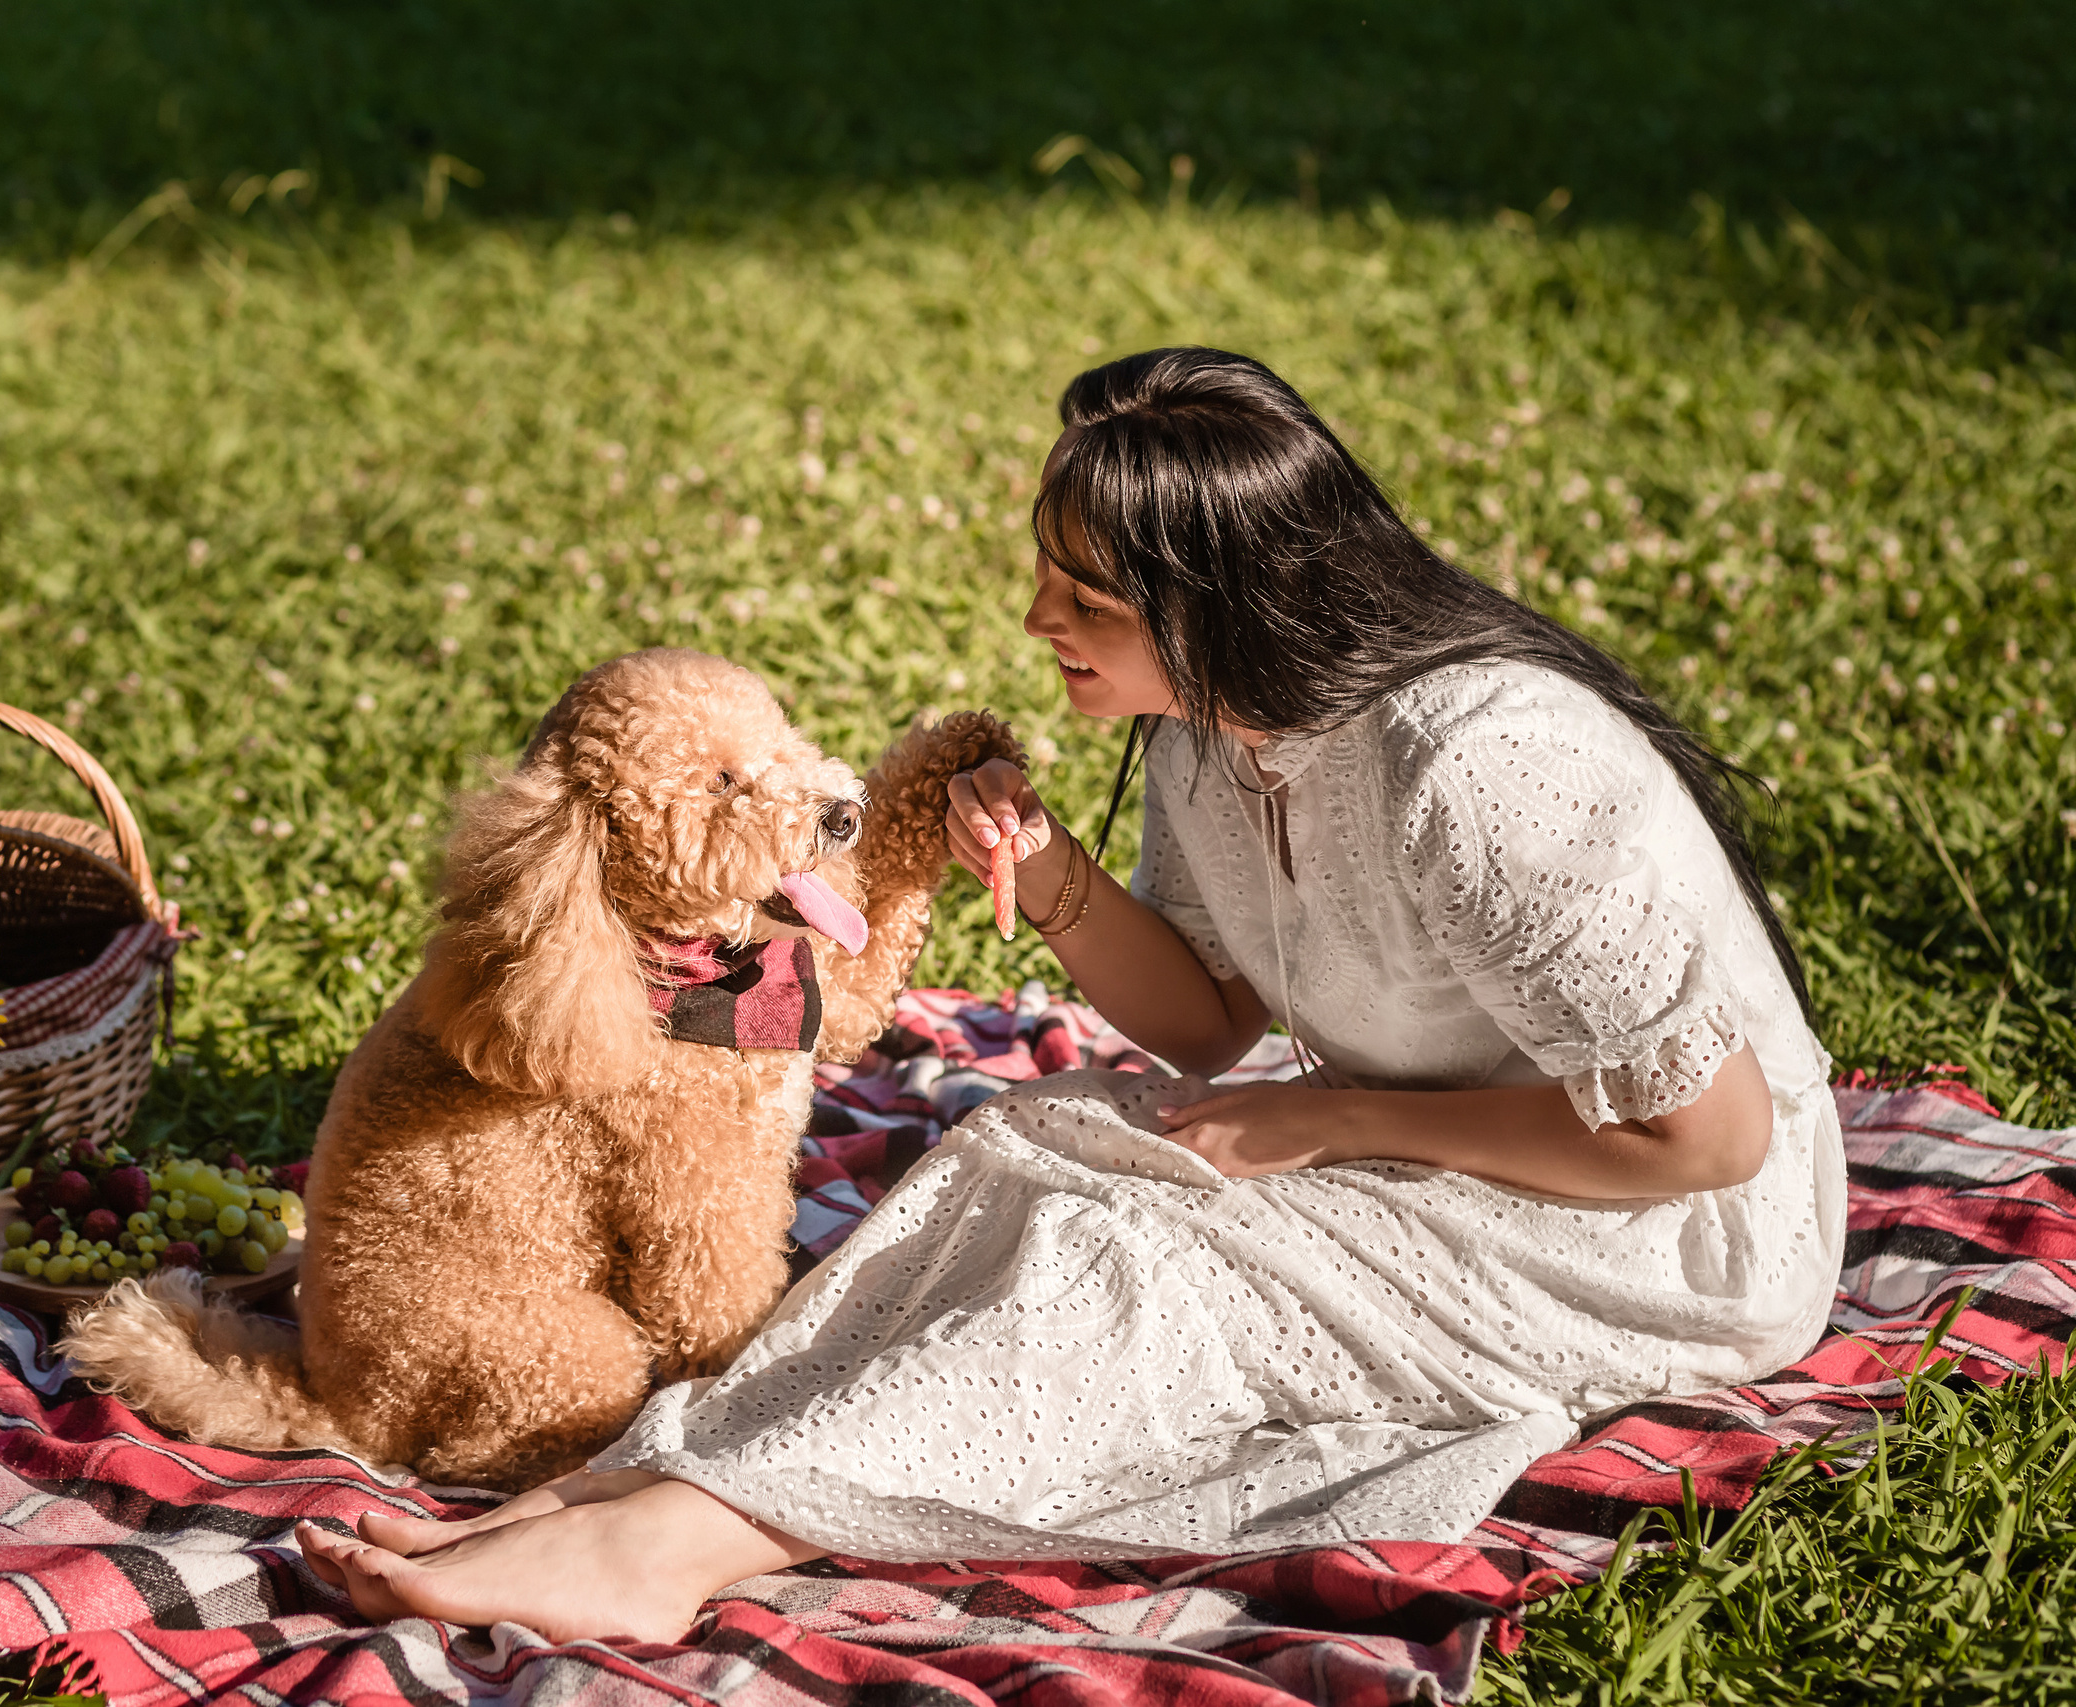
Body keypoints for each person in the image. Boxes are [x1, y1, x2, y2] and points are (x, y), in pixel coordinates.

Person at [298, 347, 1843, 1644]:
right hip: (1438, 1141)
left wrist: (1333, 1119)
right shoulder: (1210, 732)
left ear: (1223, 602)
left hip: (1659, 1234)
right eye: (1048, 577)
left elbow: (1706, 1143)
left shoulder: (1482, 767)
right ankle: (674, 1456)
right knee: (1022, 1146)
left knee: (1161, 1264)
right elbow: (1206, 1024)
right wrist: (1046, 874)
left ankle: (680, 1550)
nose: (1040, 622)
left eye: (1084, 598)